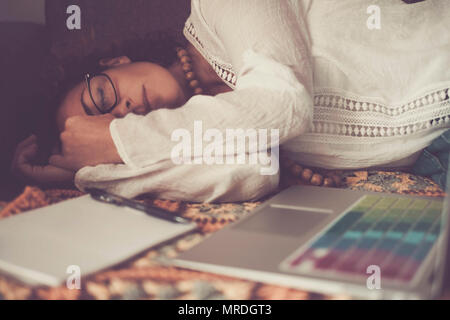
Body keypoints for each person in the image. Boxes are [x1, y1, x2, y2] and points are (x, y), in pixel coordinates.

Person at [14, 0, 450, 202]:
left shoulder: (222, 5)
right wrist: (89, 174)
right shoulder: (212, 126)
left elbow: (284, 103)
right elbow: (249, 176)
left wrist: (118, 143)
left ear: (116, 60)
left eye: (103, 97)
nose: (123, 116)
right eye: (110, 125)